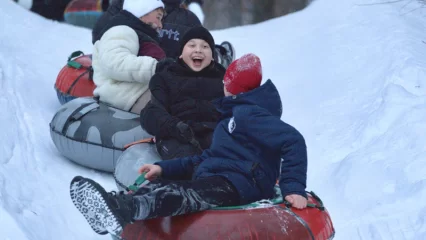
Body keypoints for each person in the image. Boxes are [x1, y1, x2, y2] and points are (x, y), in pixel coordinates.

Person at [70, 53, 309, 237]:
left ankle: (127, 209)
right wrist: (164, 169)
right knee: (165, 184)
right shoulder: (230, 118)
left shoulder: (250, 115)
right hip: (220, 177)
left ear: (231, 87)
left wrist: (294, 188)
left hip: (240, 184)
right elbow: (205, 159)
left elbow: (293, 140)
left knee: (184, 194)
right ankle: (118, 206)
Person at [140, 26, 225, 160]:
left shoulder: (224, 79)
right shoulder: (165, 78)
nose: (198, 50)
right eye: (192, 45)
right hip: (176, 137)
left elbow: (236, 108)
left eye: (205, 47)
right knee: (187, 159)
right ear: (181, 53)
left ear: (213, 57)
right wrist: (175, 127)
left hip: (214, 134)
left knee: (225, 153)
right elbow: (152, 113)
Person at [92, 0, 236, 69]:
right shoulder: (188, 19)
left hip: (123, 75)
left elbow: (97, 34)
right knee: (199, 48)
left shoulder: (121, 8)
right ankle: (219, 57)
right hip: (153, 82)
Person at [91, 0, 169, 113]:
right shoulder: (120, 30)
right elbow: (116, 63)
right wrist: (155, 67)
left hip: (140, 93)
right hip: (127, 98)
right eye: (158, 17)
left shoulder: (140, 34)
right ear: (143, 11)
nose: (161, 25)